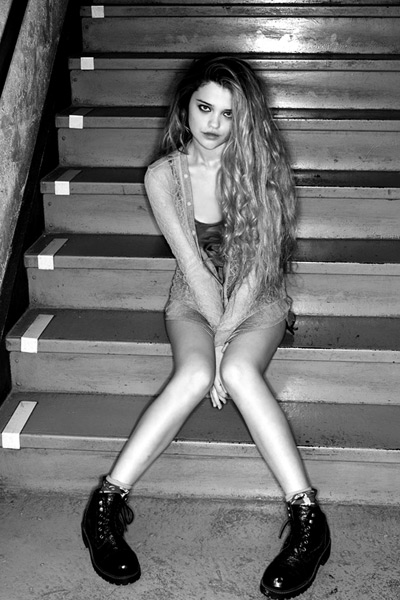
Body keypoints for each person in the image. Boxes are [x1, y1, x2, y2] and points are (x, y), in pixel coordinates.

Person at [81, 55, 331, 598]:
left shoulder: (262, 171)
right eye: (204, 107)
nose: (214, 123)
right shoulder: (161, 177)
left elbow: (258, 269)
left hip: (255, 298)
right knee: (195, 375)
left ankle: (309, 523)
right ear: (186, 107)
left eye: (229, 113)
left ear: (245, 118)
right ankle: (105, 506)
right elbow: (193, 269)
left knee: (238, 372)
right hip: (193, 299)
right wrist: (213, 346)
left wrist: (226, 345)